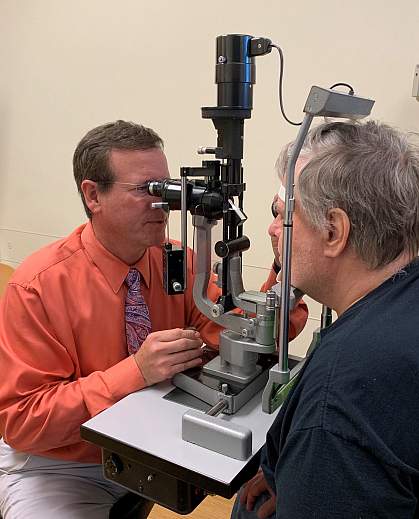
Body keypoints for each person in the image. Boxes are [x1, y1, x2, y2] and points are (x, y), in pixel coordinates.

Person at [0, 120, 308, 519]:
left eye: (167, 188)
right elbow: (23, 422)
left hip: (151, 450)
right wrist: (135, 372)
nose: (167, 203)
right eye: (148, 191)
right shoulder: (37, 288)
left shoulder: (177, 260)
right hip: (63, 466)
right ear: (93, 195)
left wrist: (287, 274)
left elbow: (235, 331)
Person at [232, 120, 419, 518]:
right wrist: (305, 474)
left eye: (281, 214)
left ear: (334, 231)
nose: (270, 228)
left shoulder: (341, 397)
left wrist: (321, 465)